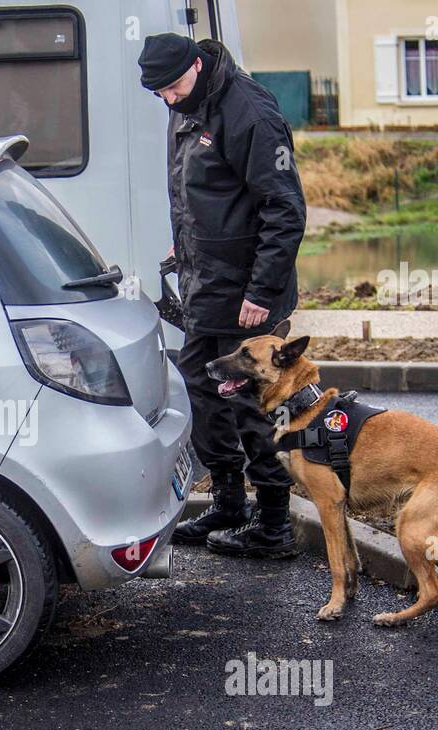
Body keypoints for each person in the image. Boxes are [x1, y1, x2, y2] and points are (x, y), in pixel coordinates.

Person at [139, 33, 307, 558]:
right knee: (200, 385)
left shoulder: (250, 112)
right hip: (206, 285)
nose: (169, 100)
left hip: (246, 296)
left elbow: (285, 211)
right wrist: (184, 240)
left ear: (196, 65)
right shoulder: (186, 100)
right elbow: (206, 191)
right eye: (159, 94)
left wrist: (261, 289)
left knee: (254, 404)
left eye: (172, 88)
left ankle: (274, 523)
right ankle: (230, 500)